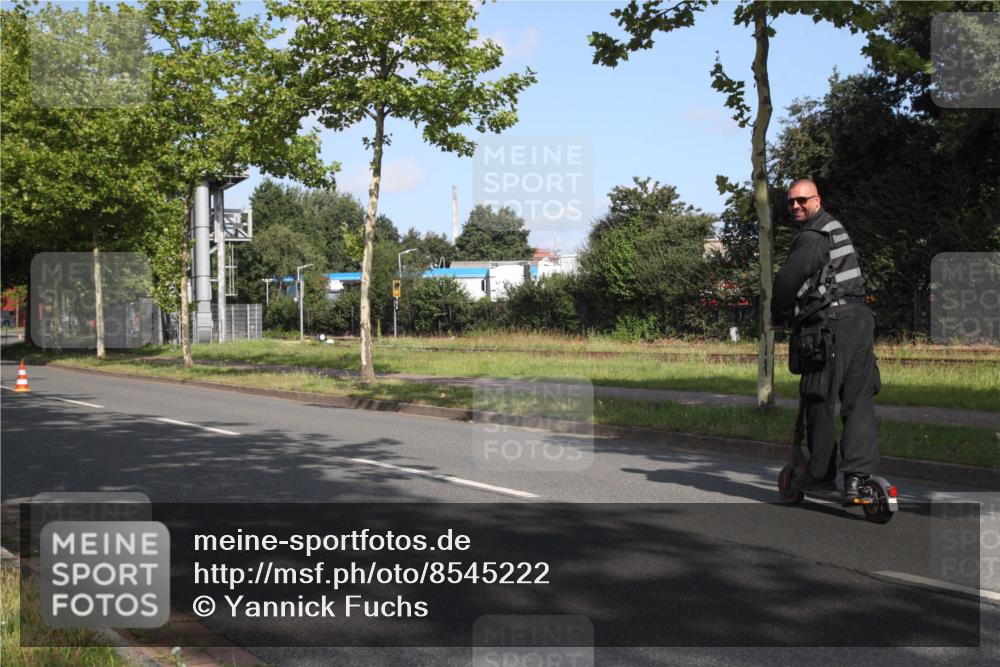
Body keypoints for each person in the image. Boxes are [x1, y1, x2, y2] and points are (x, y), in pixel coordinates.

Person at [771, 179, 880, 500]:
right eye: (791, 202)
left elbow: (787, 280)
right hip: (860, 320)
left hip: (831, 326)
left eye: (802, 200)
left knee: (818, 397)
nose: (796, 206)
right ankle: (858, 479)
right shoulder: (835, 229)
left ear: (817, 200)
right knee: (858, 399)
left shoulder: (814, 236)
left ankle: (819, 474)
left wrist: (778, 316)